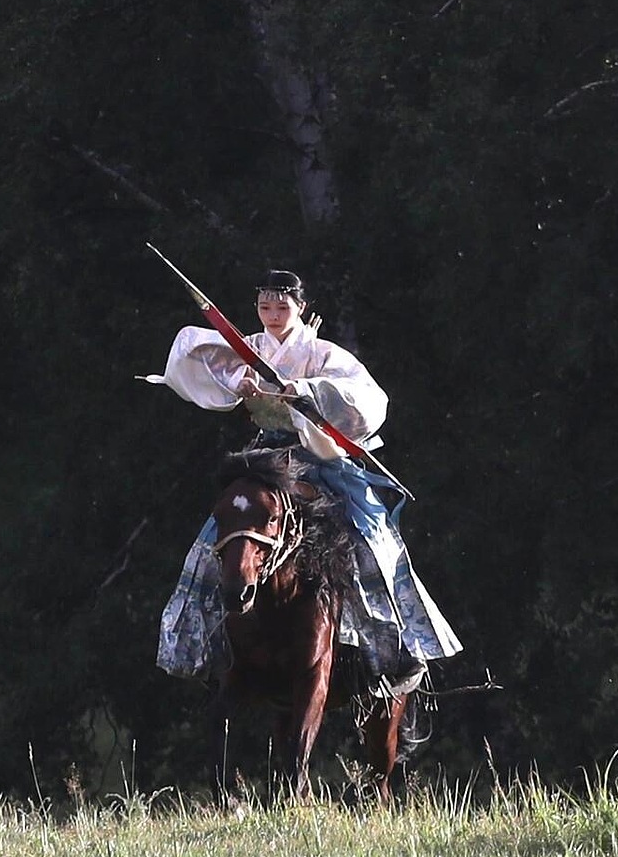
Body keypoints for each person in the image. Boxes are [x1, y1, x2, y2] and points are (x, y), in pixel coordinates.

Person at [150, 270, 462, 693]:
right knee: (216, 539)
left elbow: (368, 397)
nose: (273, 315)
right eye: (265, 307)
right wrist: (236, 385)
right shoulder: (249, 348)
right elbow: (196, 352)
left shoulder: (322, 353)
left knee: (373, 537)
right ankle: (198, 646)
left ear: (301, 308)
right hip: (267, 458)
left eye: (282, 307)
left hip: (319, 456)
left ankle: (393, 651)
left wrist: (310, 389)